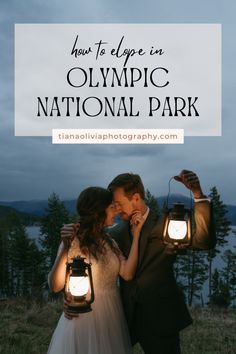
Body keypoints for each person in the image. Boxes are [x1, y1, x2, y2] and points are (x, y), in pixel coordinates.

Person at [108, 170, 216, 354]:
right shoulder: (115, 233)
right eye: (114, 204)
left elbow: (204, 241)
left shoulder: (168, 223)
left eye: (119, 203)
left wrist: (198, 195)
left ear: (135, 197)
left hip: (161, 317)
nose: (116, 209)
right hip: (125, 318)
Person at [47, 186, 145, 354]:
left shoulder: (110, 242)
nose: (116, 211)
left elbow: (127, 273)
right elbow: (55, 286)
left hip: (111, 315)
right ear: (99, 210)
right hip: (83, 316)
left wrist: (136, 236)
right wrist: (65, 247)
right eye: (112, 207)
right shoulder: (73, 241)